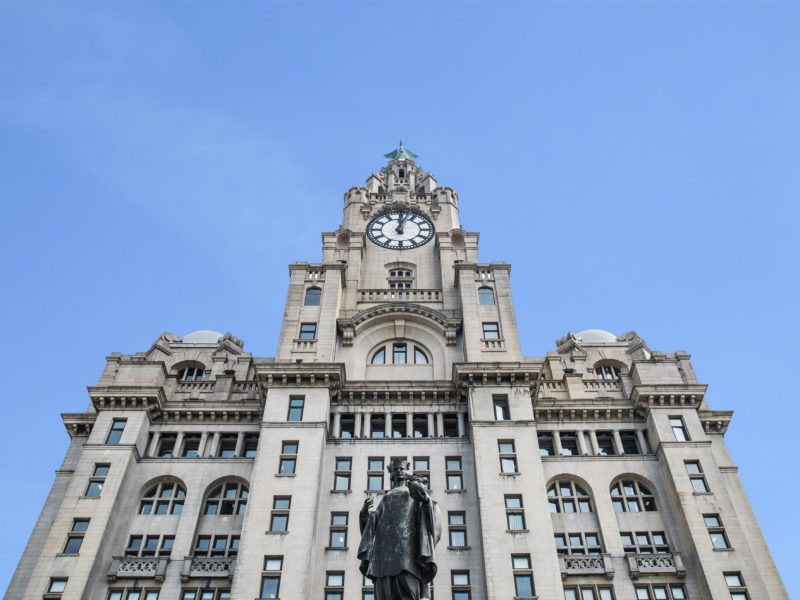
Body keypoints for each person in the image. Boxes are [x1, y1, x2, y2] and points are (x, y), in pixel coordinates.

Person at [358, 457, 441, 600]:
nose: (399, 471)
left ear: (406, 470)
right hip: (384, 554)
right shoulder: (386, 498)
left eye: (402, 469)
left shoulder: (413, 491)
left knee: (408, 587)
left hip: (407, 552)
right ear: (391, 473)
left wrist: (425, 499)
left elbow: (430, 512)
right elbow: (373, 523)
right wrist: (364, 514)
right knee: (385, 591)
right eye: (396, 469)